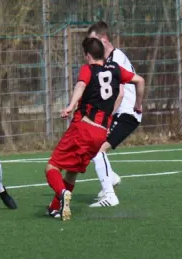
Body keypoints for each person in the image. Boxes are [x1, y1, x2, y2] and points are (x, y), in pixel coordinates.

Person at [45, 37, 145, 221]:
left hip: (83, 128)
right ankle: (55, 207)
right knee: (72, 170)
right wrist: (138, 105)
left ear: (88, 55)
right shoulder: (115, 69)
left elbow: (81, 85)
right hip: (100, 133)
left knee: (52, 166)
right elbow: (139, 80)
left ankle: (62, 193)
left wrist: (70, 105)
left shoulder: (87, 69)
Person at [87, 21, 142, 207]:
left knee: (97, 149)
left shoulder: (116, 59)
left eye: (94, 41)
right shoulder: (108, 60)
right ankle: (111, 179)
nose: (92, 47)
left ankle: (110, 195)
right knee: (94, 147)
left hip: (126, 114)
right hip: (121, 113)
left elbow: (120, 93)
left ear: (104, 39)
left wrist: (106, 116)